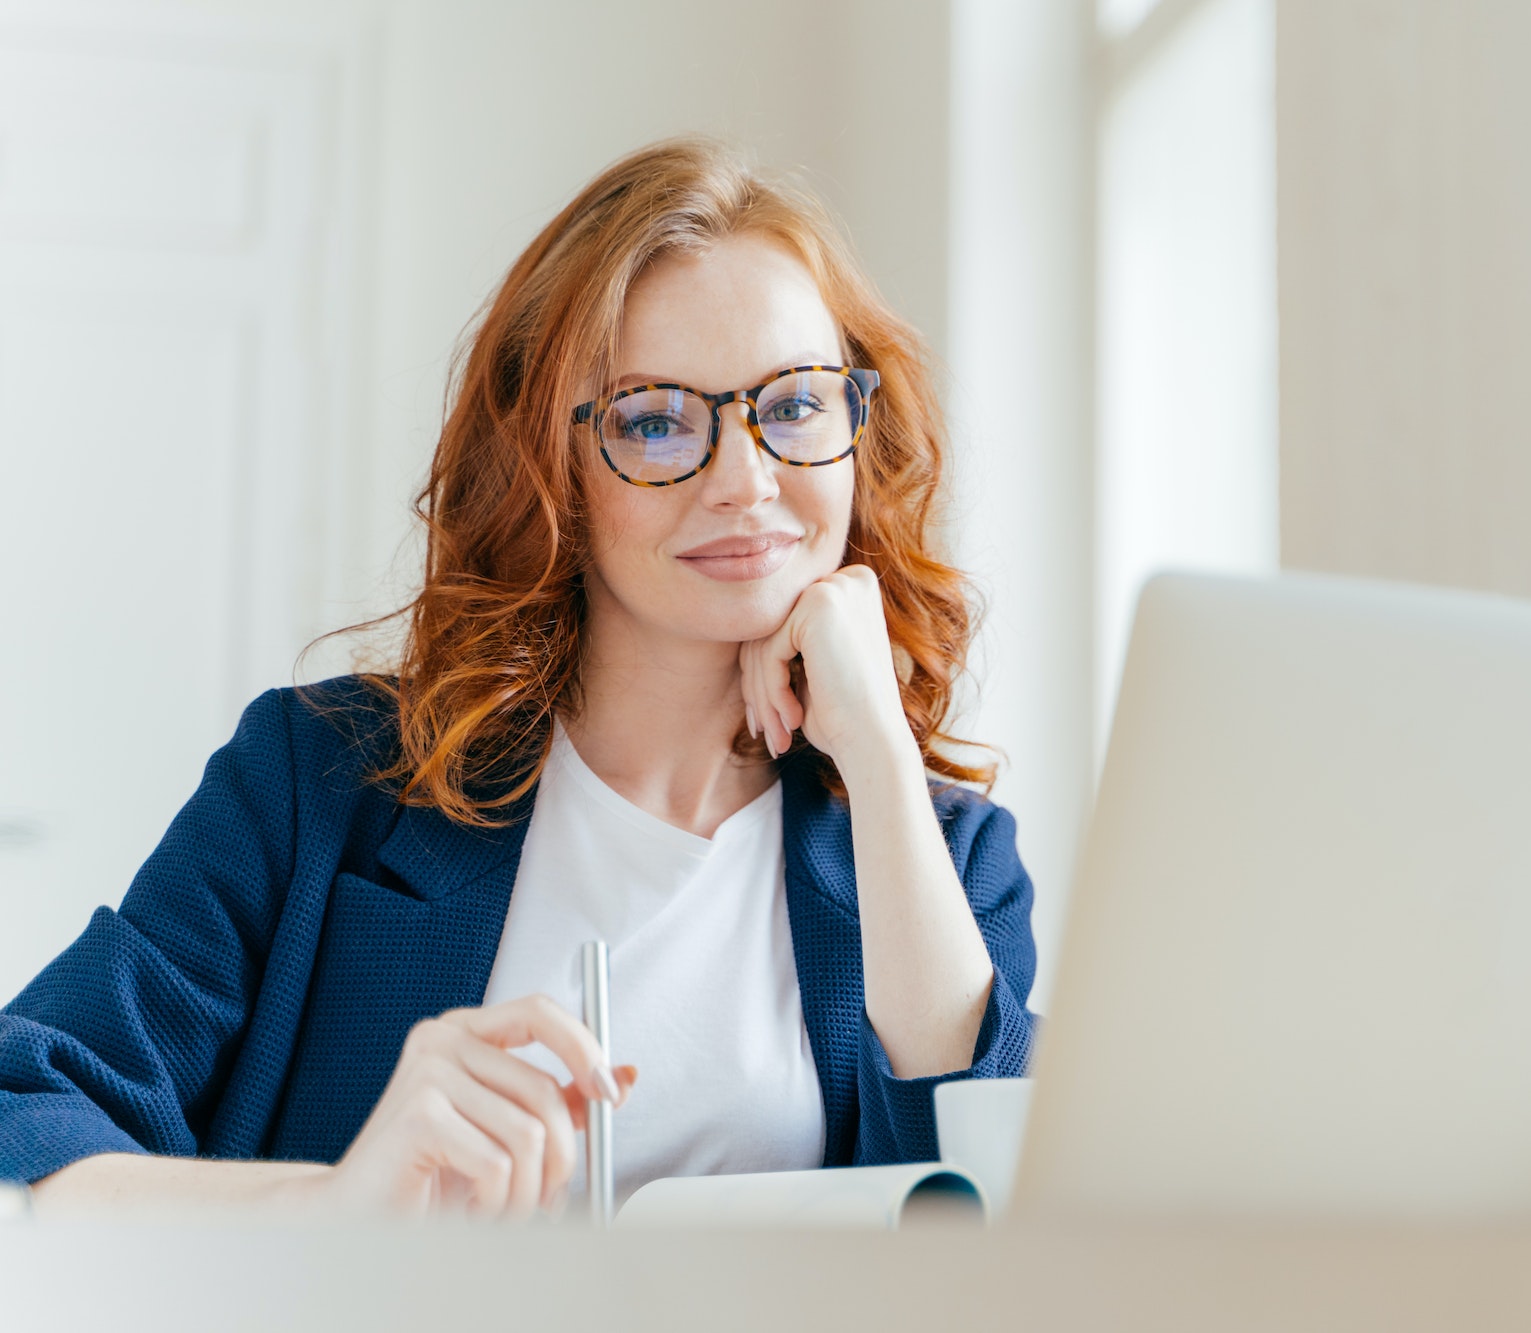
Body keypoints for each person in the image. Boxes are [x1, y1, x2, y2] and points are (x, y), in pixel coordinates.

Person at [0, 138, 1036, 1218]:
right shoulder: (320, 782)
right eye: (653, 420)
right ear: (550, 464)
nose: (744, 479)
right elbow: (21, 1104)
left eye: (793, 406)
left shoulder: (945, 856)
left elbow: (1004, 1205)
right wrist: (342, 1204)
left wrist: (873, 750)